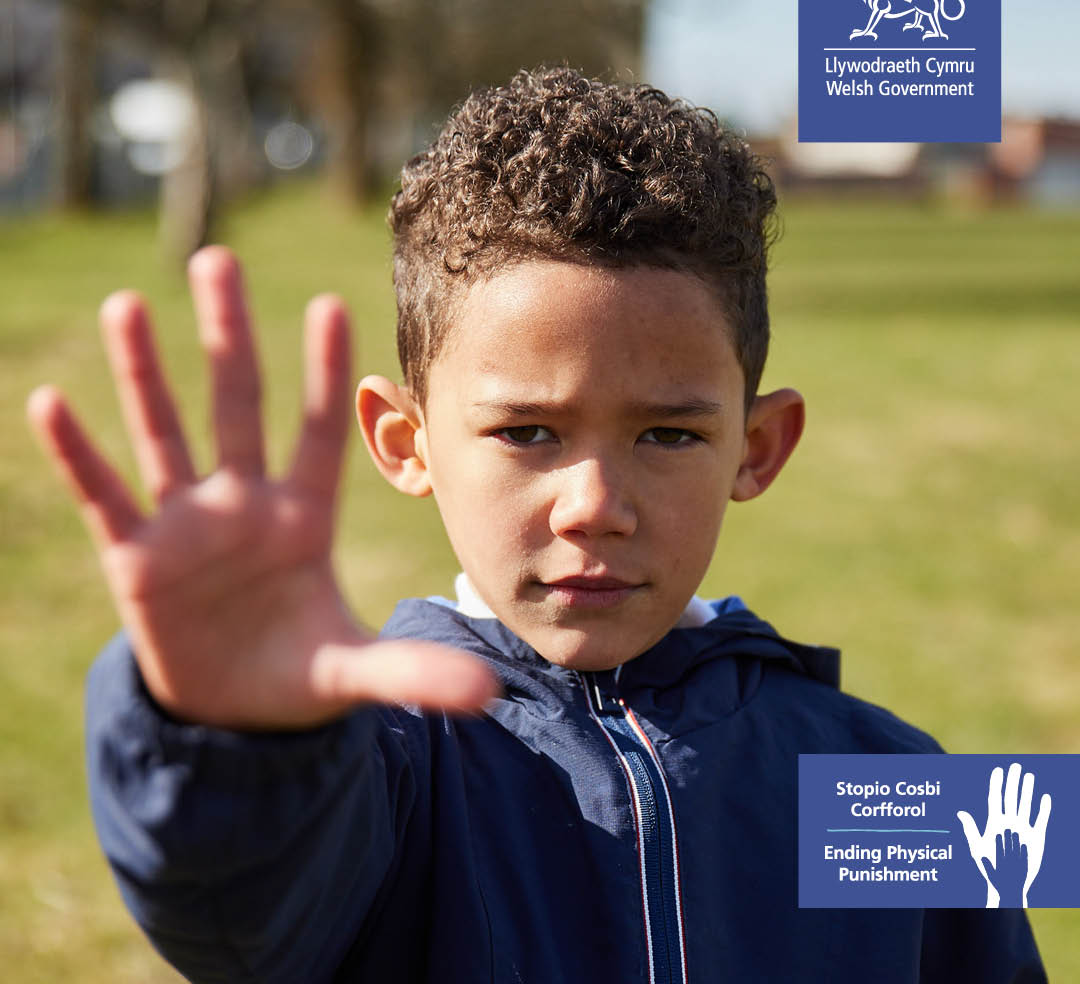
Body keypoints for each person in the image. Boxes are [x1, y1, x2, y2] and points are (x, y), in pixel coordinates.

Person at [28, 67, 1044, 983]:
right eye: (527, 431)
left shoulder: (887, 781)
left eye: (669, 436)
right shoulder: (385, 774)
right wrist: (231, 740)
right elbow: (240, 913)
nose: (594, 503)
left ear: (758, 446)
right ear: (405, 440)